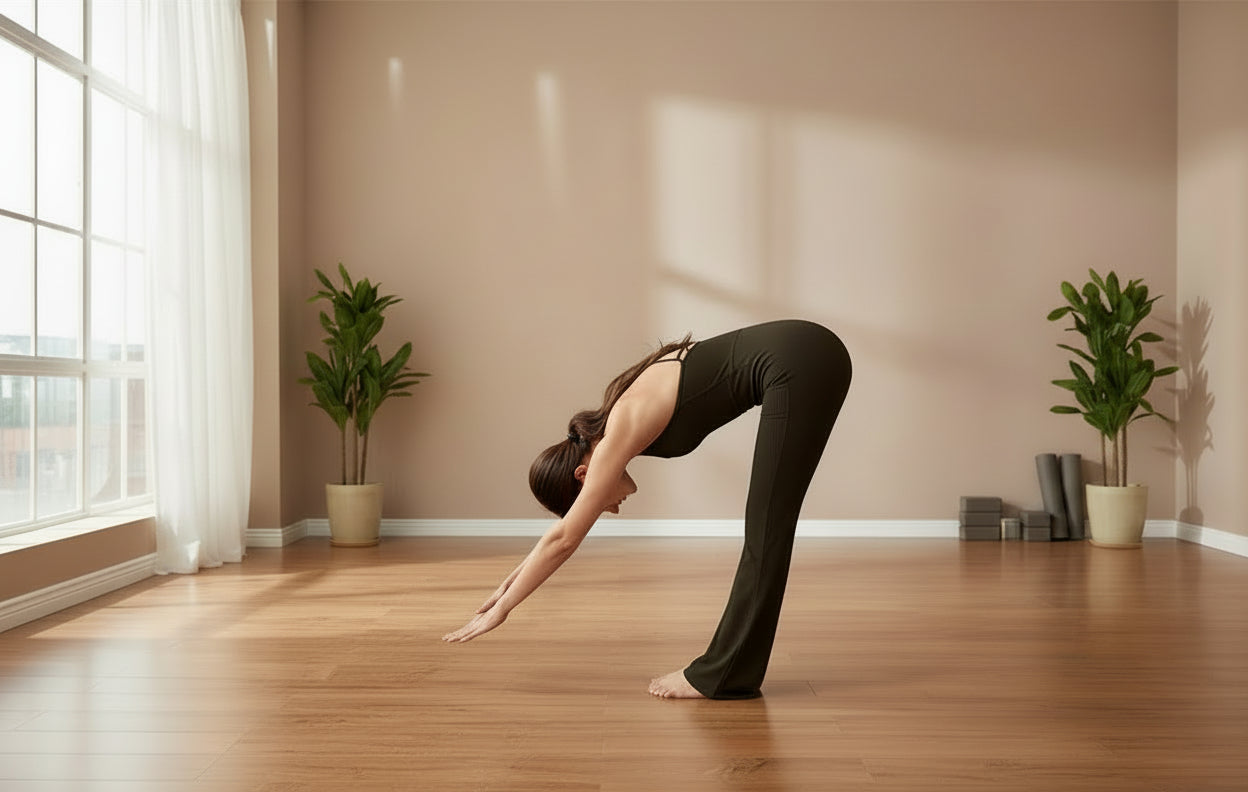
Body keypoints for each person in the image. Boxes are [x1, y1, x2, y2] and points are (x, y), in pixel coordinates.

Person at [442, 319, 852, 700]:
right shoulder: (617, 415)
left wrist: (504, 610)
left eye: (596, 505)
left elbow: (563, 539)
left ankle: (723, 674)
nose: (613, 509)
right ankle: (730, 671)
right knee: (767, 531)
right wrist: (500, 592)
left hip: (800, 364)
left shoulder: (616, 432)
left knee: (766, 532)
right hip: (807, 354)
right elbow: (558, 536)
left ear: (584, 475)